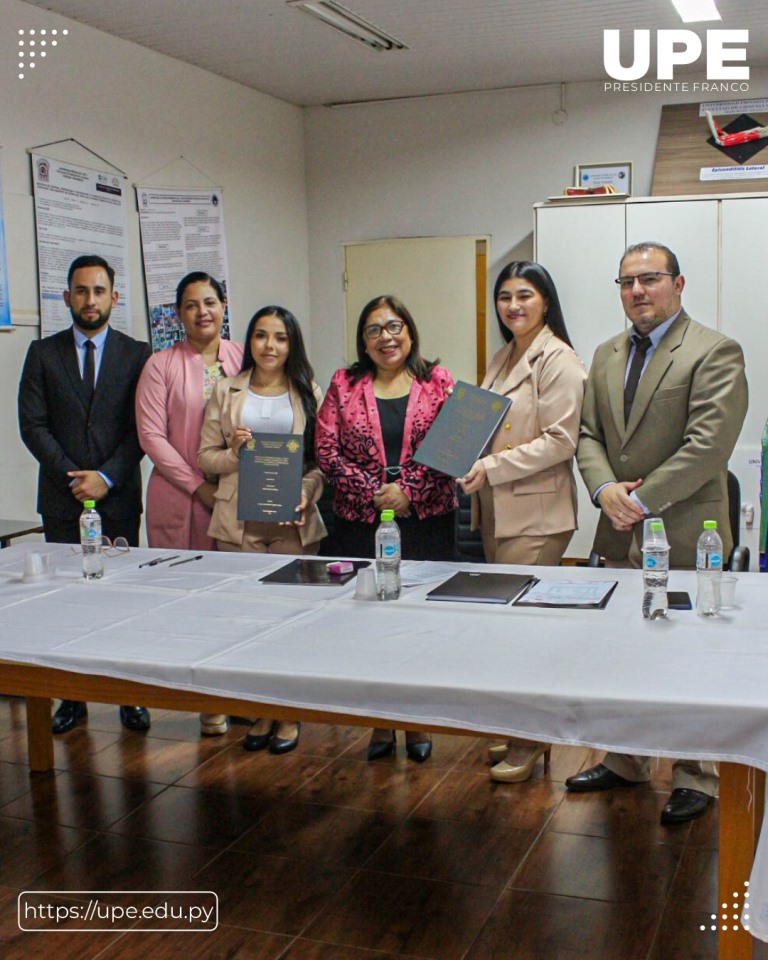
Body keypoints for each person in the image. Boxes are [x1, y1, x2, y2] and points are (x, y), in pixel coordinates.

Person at [565, 241, 748, 825]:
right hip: (617, 530)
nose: (637, 291)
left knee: (690, 654)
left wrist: (639, 500)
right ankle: (626, 759)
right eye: (626, 282)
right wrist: (603, 492)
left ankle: (697, 774)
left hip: (689, 531)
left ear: (679, 283)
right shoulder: (605, 352)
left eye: (650, 279)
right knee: (623, 650)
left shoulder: (714, 351)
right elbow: (589, 435)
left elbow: (708, 447)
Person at [458, 261, 587, 784]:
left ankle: (530, 740)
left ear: (546, 301)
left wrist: (487, 466)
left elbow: (561, 441)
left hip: (534, 515)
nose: (513, 305)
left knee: (526, 636)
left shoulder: (558, 359)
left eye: (525, 295)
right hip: (500, 511)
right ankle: (519, 728)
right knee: (508, 631)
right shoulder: (505, 353)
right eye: (504, 296)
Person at [315, 294, 457, 763]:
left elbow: (450, 446)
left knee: (418, 622)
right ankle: (378, 720)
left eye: (394, 326)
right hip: (360, 521)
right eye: (373, 329)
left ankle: (417, 720)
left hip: (426, 521)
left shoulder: (438, 382)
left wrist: (408, 492)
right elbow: (327, 451)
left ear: (410, 332)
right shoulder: (344, 383)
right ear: (363, 341)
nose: (385, 337)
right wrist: (376, 493)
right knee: (368, 622)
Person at [18, 254, 152, 735]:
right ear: (66, 296)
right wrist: (75, 477)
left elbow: (142, 429)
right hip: (61, 499)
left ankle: (129, 697)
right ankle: (70, 698)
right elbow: (31, 425)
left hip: (116, 500)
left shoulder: (138, 354)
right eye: (80, 290)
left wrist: (108, 477)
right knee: (64, 601)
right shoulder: (42, 352)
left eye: (98, 291)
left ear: (114, 298)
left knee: (122, 600)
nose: (89, 300)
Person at [198, 305, 326, 754]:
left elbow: (319, 464)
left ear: (292, 344)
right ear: (248, 341)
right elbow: (205, 458)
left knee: (290, 621)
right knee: (246, 622)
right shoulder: (226, 390)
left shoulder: (309, 391)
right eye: (260, 336)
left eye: (280, 337)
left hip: (291, 522)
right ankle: (260, 710)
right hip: (239, 523)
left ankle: (288, 712)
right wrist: (235, 454)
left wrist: (308, 491)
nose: (269, 346)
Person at [136, 271, 242, 737]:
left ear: (223, 307)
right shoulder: (160, 364)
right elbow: (151, 436)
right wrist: (197, 484)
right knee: (195, 604)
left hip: (238, 491)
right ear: (178, 315)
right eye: (192, 305)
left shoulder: (244, 355)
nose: (203, 312)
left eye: (211, 302)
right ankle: (205, 701)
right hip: (181, 497)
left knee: (238, 600)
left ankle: (239, 693)